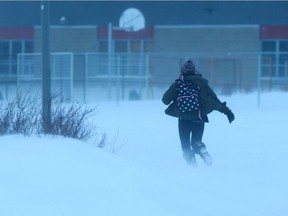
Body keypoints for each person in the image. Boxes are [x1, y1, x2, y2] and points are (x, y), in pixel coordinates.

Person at [162, 59, 235, 166]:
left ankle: (193, 168)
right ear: (194, 71)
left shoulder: (177, 85)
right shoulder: (201, 84)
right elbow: (214, 99)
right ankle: (202, 150)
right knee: (196, 142)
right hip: (199, 117)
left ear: (183, 71)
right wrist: (227, 112)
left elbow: (165, 101)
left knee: (186, 146)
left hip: (183, 120)